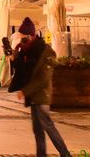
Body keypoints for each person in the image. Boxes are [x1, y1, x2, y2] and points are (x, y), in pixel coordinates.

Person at [9, 17, 71, 157]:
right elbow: (22, 70)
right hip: (34, 97)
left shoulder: (44, 52)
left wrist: (25, 91)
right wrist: (14, 56)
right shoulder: (28, 51)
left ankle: (65, 153)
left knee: (48, 126)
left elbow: (43, 79)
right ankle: (41, 154)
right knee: (38, 129)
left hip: (42, 95)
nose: (22, 40)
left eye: (23, 37)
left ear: (31, 36)